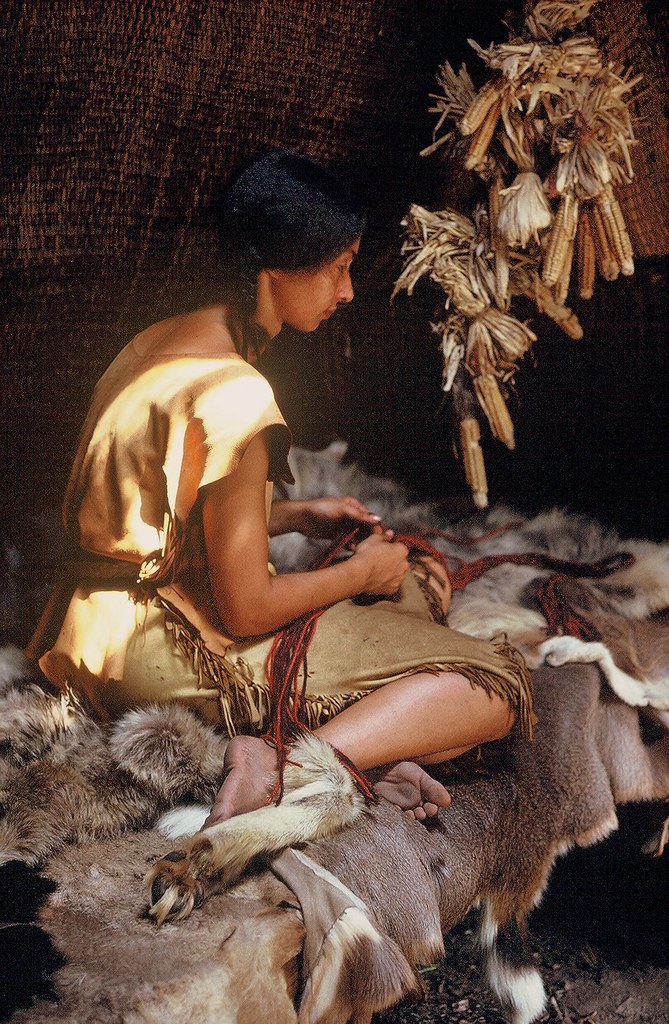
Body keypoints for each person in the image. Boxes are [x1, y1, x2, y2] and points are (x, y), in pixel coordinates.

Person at [28, 150, 534, 826]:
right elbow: (245, 610)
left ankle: (368, 752)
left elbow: (150, 515)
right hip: (158, 650)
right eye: (337, 268)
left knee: (411, 583)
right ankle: (286, 765)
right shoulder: (236, 392)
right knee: (492, 690)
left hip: (83, 630)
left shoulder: (157, 343)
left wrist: (294, 515)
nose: (346, 291)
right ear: (276, 270)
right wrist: (359, 570)